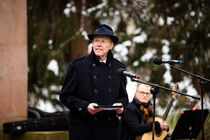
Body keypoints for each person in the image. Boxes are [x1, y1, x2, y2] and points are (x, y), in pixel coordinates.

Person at [59, 24, 128, 140]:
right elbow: (65, 96)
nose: (99, 44)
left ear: (111, 45)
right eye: (96, 40)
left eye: (103, 41)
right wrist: (85, 107)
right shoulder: (78, 66)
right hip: (83, 130)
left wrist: (121, 106)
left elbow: (123, 96)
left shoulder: (119, 67)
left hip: (110, 130)